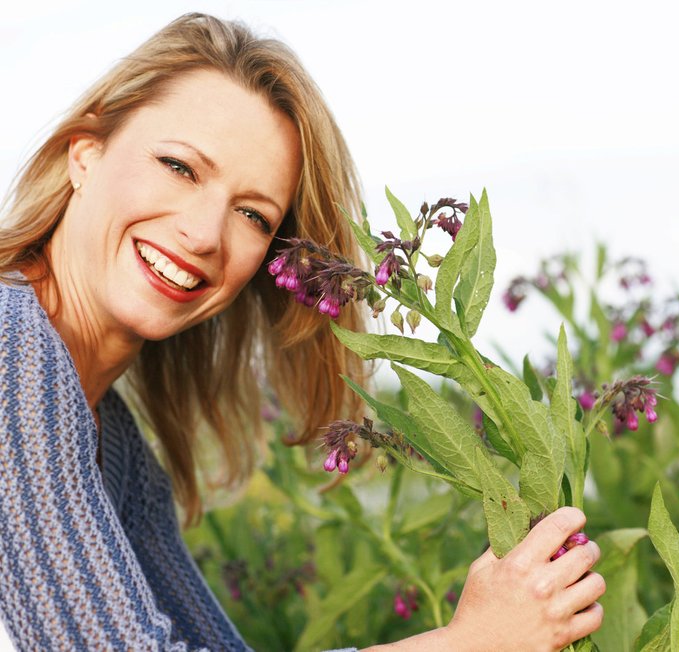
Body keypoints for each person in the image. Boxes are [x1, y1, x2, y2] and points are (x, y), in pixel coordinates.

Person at [0, 12, 605, 651]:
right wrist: (469, 643)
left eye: (252, 214)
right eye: (179, 167)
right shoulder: (13, 354)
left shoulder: (114, 446)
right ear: (85, 155)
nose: (204, 234)